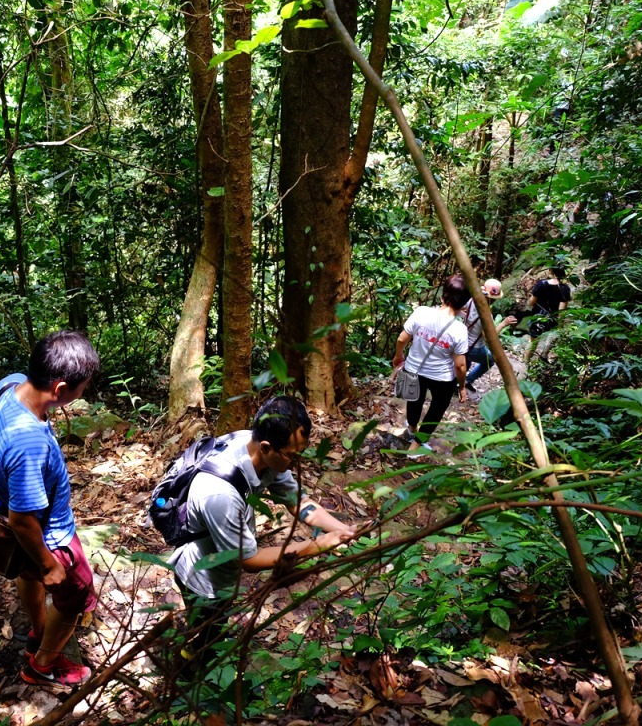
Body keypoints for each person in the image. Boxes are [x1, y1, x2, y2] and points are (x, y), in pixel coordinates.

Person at [170, 396, 355, 670]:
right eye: (293, 456)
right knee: (208, 624)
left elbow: (297, 502)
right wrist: (316, 545)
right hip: (201, 575)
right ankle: (189, 668)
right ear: (267, 447)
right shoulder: (219, 494)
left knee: (215, 620)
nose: (296, 463)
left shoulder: (256, 445)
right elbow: (247, 560)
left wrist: (343, 531)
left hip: (220, 555)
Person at [0, 331, 101, 688]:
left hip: (11, 508)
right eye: (83, 387)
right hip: (50, 534)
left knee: (28, 571)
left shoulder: (10, 386)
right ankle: (43, 665)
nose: (84, 393)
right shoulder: (28, 441)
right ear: (60, 388)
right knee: (77, 593)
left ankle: (38, 631)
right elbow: (22, 521)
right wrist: (50, 563)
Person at [392, 275, 471, 451]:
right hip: (441, 378)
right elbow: (460, 365)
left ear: (443, 296)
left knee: (414, 400)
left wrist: (398, 356)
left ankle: (411, 428)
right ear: (464, 303)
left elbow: (402, 338)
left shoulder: (421, 312)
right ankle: (417, 445)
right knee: (437, 408)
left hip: (413, 368)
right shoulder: (459, 330)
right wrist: (462, 386)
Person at [461, 278, 518, 393]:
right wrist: (503, 323)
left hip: (462, 342)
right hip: (475, 348)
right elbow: (488, 337)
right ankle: (467, 381)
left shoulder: (471, 300)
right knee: (490, 361)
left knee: (467, 360)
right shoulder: (487, 316)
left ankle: (457, 381)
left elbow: (462, 309)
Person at [524, 266, 572, 363]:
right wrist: (560, 326)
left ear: (551, 270)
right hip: (552, 319)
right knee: (550, 341)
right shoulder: (565, 289)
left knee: (533, 342)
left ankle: (526, 362)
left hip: (538, 317)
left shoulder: (541, 284)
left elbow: (531, 303)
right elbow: (561, 311)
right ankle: (543, 356)